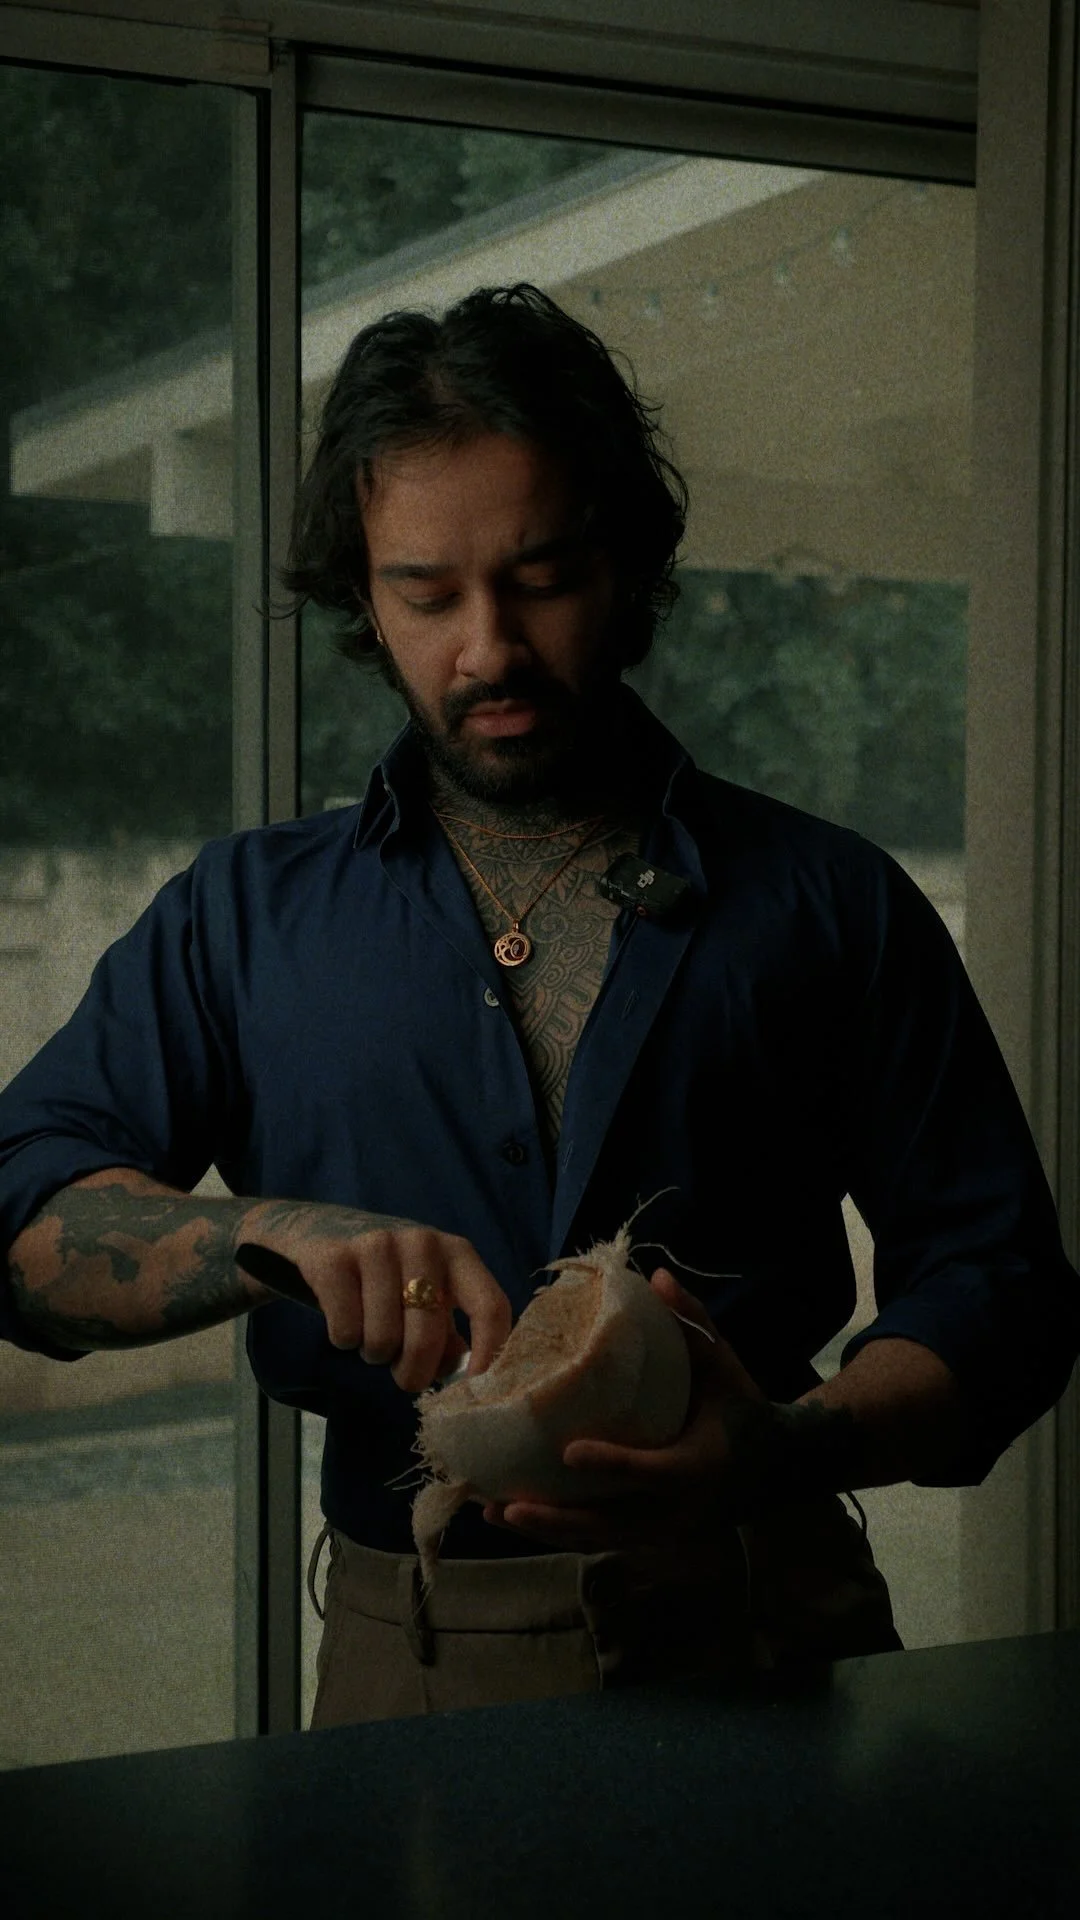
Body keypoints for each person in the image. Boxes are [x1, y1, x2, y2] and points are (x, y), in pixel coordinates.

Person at [1, 284, 1078, 1727]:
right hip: (409, 1649)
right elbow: (22, 1214)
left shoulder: (833, 900)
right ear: (363, 598)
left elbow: (1002, 1287)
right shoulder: (237, 914)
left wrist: (789, 1442)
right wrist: (265, 1234)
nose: (489, 649)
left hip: (766, 1613)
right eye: (426, 594)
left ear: (626, 565)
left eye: (544, 578)